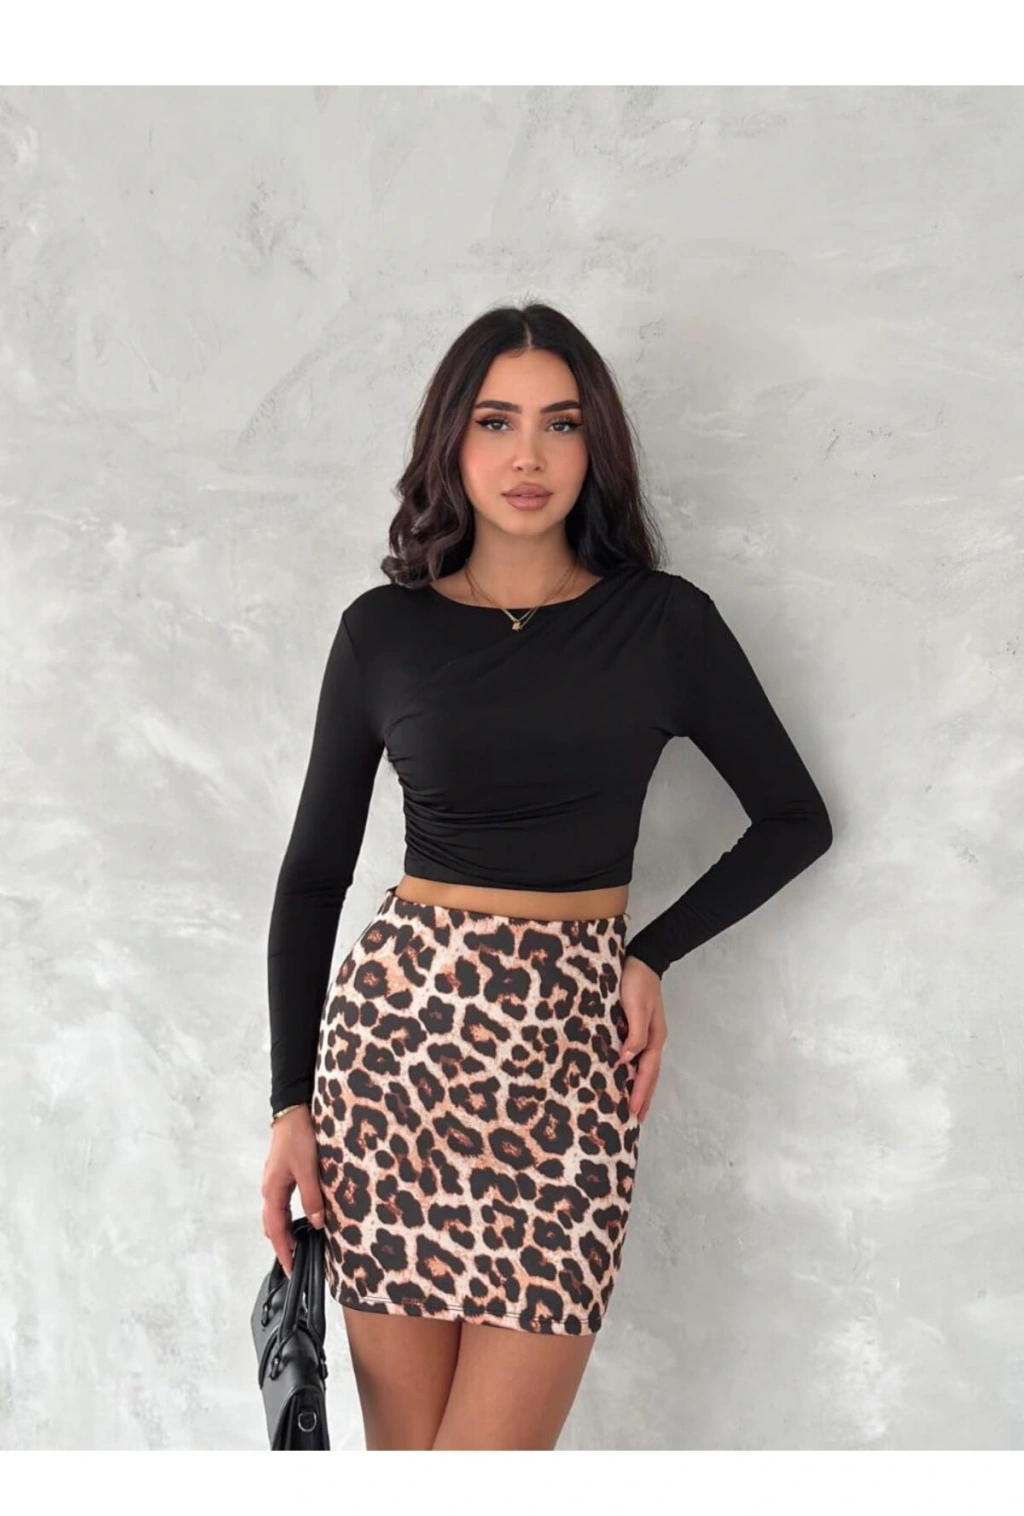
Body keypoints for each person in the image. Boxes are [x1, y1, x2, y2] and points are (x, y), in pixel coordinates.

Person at [260, 302, 833, 1451]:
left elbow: (792, 820)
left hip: (572, 1068)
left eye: (559, 423)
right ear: (450, 441)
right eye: (496, 421)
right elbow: (313, 877)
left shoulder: (663, 624)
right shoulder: (383, 632)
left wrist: (649, 955)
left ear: (594, 443)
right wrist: (289, 1107)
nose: (528, 456)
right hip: (396, 1068)